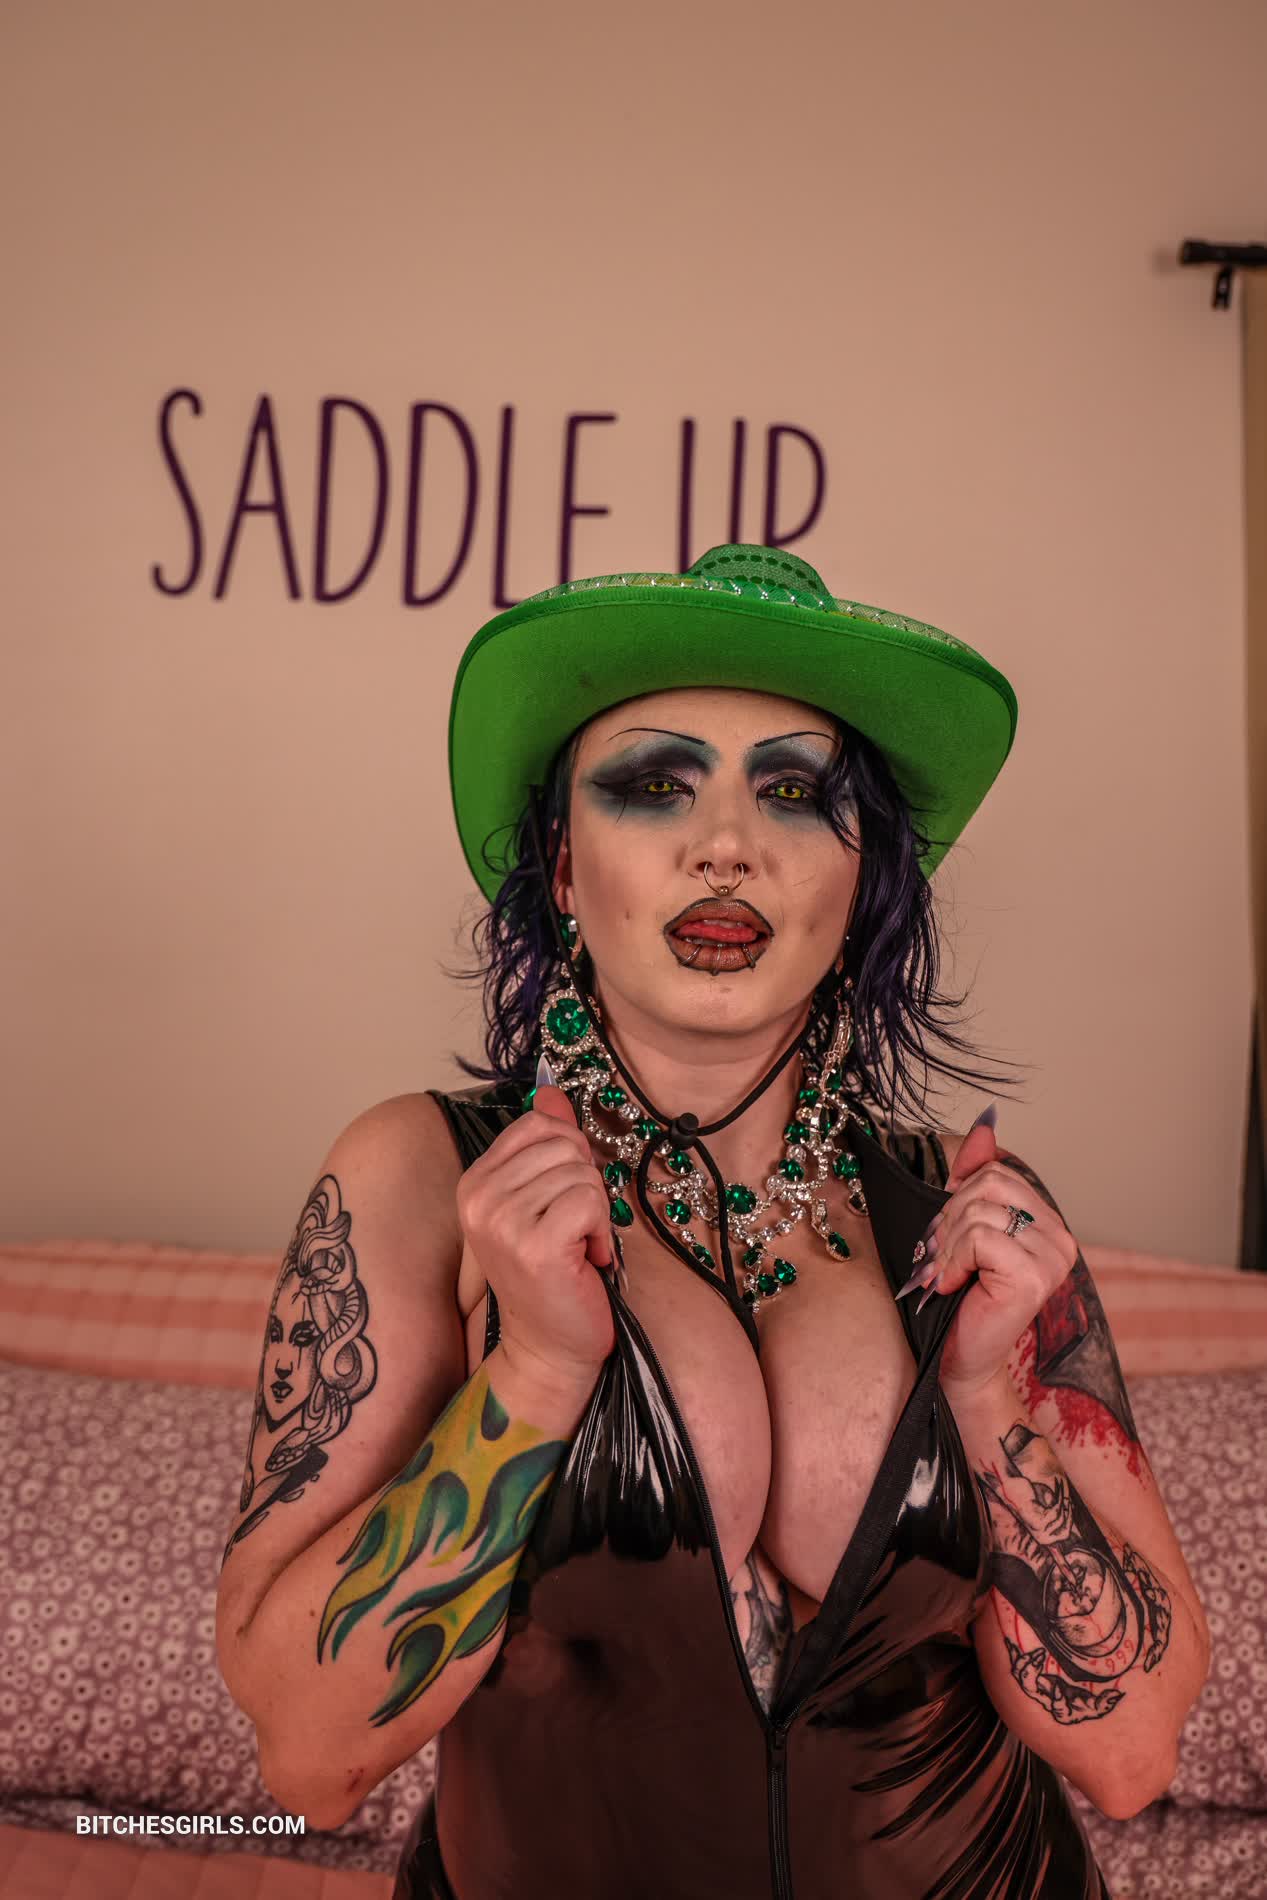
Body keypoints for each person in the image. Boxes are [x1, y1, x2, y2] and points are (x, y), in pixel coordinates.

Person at [214, 543, 1210, 1900]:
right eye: (653, 784)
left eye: (795, 793)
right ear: (565, 869)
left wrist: (985, 1398)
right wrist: (535, 1374)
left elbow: (1133, 1756)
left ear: (864, 878)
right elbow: (307, 1759)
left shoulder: (968, 1209)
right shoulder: (420, 1178)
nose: (727, 844)